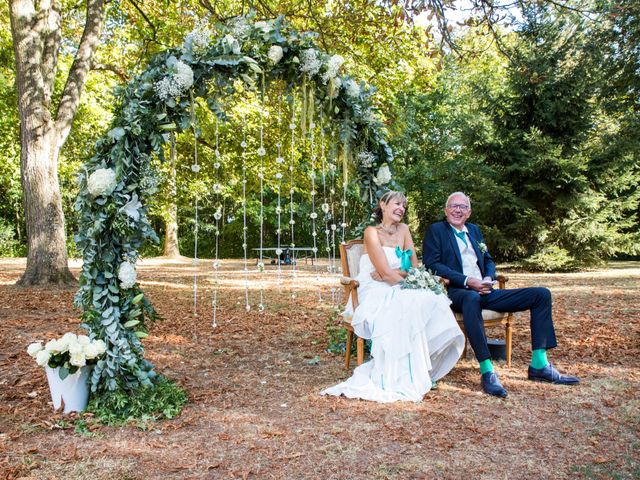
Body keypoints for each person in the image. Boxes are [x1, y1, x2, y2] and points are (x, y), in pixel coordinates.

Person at [422, 192, 580, 398]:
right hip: (458, 292)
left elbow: (487, 259)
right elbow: (432, 265)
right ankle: (487, 371)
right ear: (446, 210)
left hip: (487, 291)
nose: (457, 210)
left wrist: (488, 277)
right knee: (472, 298)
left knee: (541, 294)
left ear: (469, 213)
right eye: (453, 206)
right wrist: (468, 281)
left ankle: (539, 365)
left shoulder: (475, 230)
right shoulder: (437, 230)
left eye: (462, 207)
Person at [322, 191, 464, 403]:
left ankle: (420, 369)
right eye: (397, 203)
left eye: (404, 206)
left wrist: (399, 275)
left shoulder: (404, 230)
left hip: (395, 283)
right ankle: (400, 373)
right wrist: (395, 276)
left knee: (431, 299)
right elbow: (383, 273)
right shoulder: (371, 232)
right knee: (409, 302)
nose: (401, 208)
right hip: (374, 288)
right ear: (383, 205)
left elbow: (413, 268)